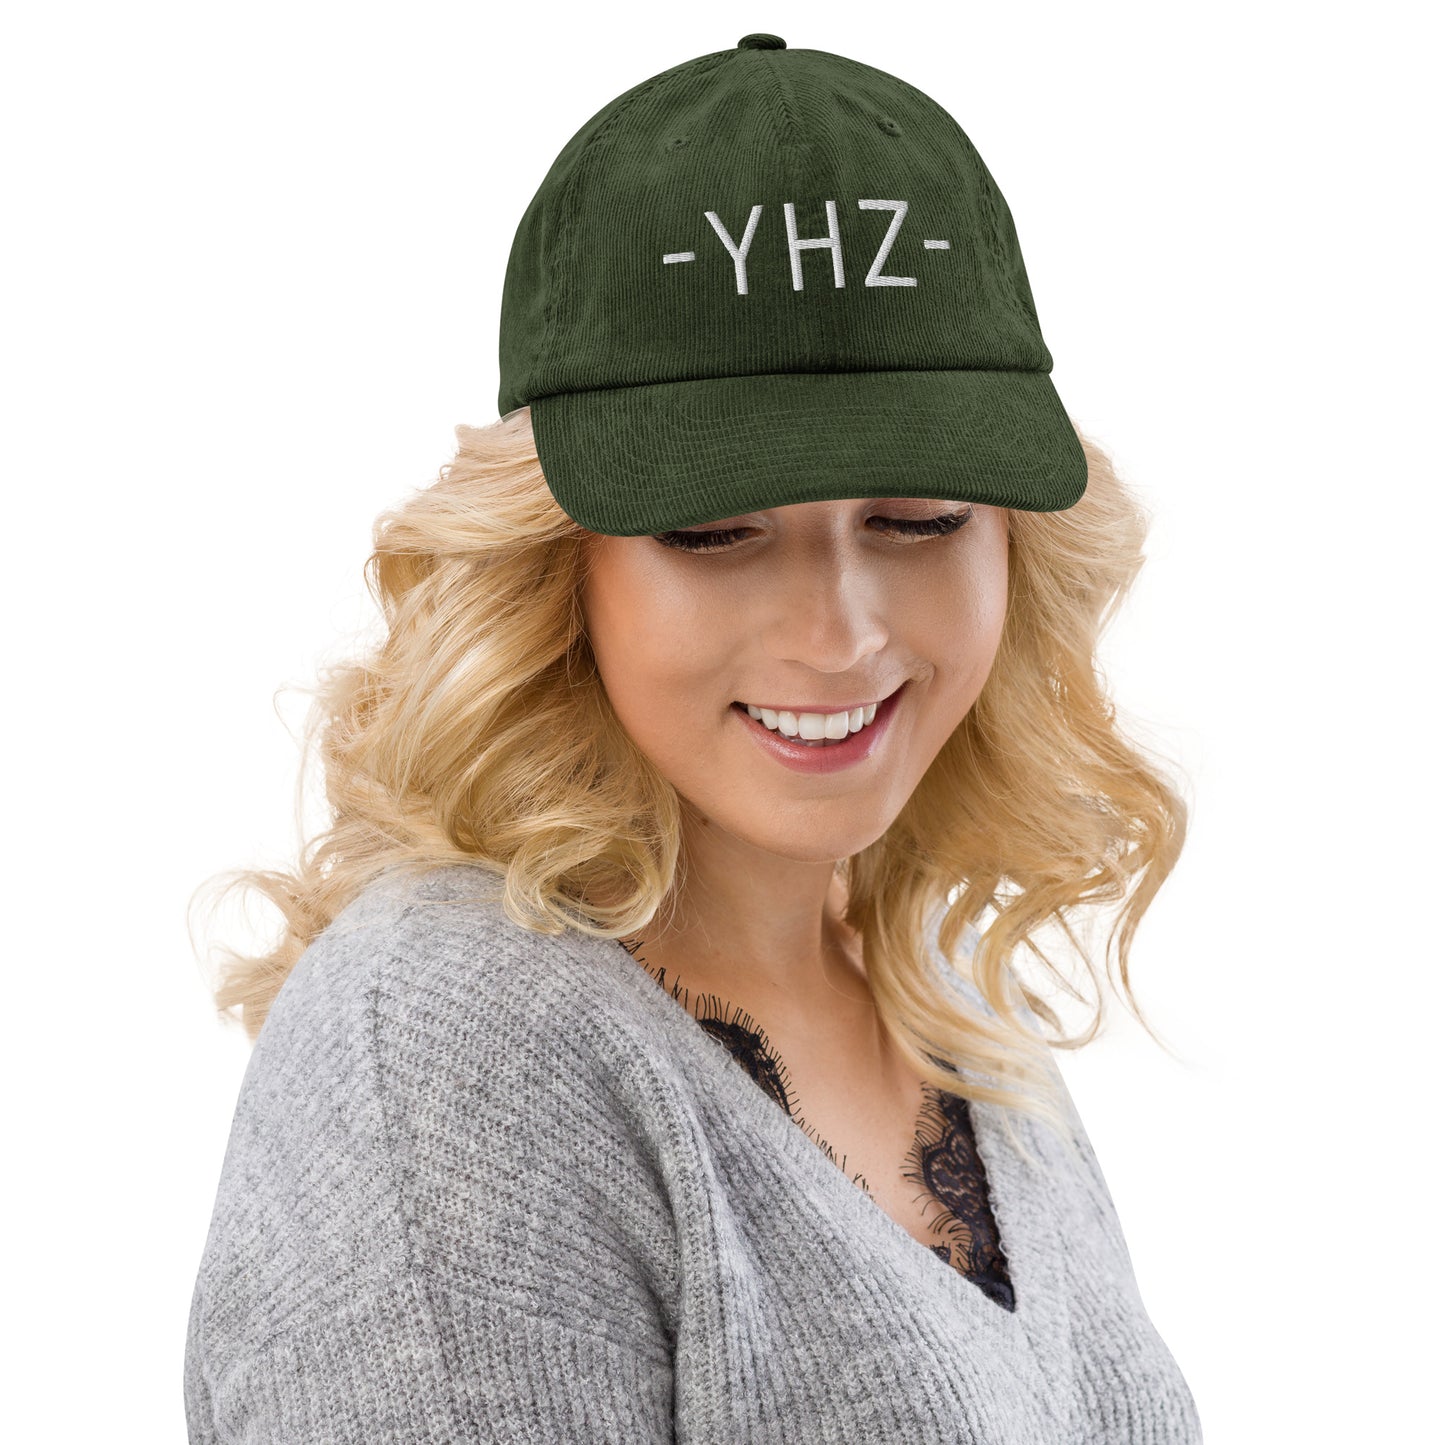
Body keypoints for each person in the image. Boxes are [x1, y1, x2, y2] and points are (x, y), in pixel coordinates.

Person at [183, 33, 1203, 1444]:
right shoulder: (448, 1041)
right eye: (717, 531)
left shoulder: (947, 996)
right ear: (559, 564)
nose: (839, 632)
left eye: (917, 518)